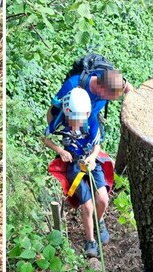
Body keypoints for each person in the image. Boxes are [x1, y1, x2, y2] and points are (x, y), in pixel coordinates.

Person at [43, 88, 109, 257]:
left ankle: (99, 220)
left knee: (102, 199)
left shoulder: (92, 121)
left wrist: (93, 158)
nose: (75, 124)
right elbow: (45, 137)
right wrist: (60, 150)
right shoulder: (61, 120)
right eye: (73, 119)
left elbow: (97, 145)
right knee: (87, 205)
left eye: (79, 119)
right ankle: (90, 240)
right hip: (74, 163)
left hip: (91, 162)